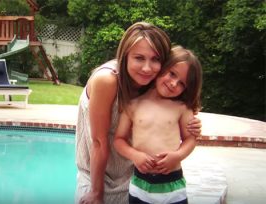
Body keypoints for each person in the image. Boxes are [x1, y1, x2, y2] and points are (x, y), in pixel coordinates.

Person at [75, 22, 202, 204]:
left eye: (155, 59)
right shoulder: (108, 80)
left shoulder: (153, 82)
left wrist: (193, 126)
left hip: (137, 177)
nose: (147, 68)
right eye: (139, 58)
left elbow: (171, 116)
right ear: (125, 56)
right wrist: (96, 192)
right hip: (98, 175)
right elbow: (98, 142)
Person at [113, 45, 202, 204]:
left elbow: (191, 139)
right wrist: (135, 155)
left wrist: (177, 156)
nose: (174, 83)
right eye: (172, 74)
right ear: (162, 67)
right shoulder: (133, 105)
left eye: (182, 83)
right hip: (140, 183)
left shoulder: (181, 107)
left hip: (172, 185)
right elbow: (119, 140)